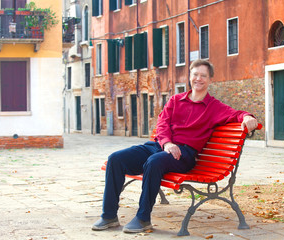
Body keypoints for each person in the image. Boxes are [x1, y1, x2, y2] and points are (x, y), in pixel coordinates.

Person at [92, 59, 258, 233]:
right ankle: (109, 216)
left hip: (185, 155)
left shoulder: (214, 107)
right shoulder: (175, 100)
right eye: (195, 74)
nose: (198, 79)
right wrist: (167, 143)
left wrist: (247, 117)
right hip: (160, 146)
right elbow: (162, 124)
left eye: (203, 76)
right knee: (116, 159)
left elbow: (236, 114)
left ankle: (143, 219)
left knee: (154, 162)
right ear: (189, 76)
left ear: (210, 80)